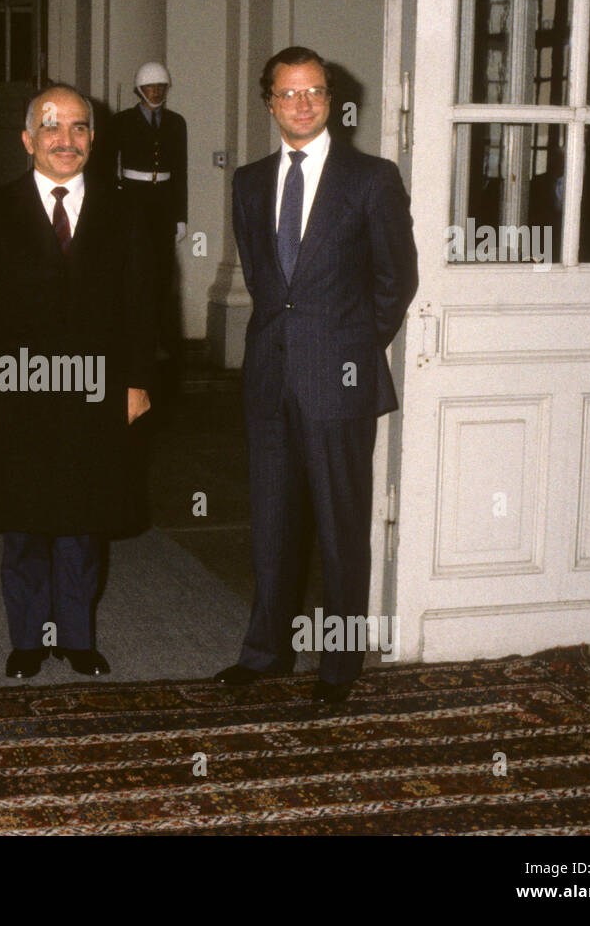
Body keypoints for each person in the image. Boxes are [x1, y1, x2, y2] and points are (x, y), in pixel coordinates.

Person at [214, 46, 418, 703]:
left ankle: (338, 665)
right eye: (288, 93)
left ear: (331, 100)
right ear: (269, 102)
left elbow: (395, 279)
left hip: (341, 378)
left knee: (340, 525)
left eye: (315, 92)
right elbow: (266, 280)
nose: (302, 104)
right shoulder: (248, 182)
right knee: (271, 523)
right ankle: (266, 653)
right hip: (269, 378)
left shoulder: (371, 179)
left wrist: (352, 349)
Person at [0, 83, 155, 679]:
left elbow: (144, 305)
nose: (65, 140)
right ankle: (27, 640)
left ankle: (78, 636)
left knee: (83, 523)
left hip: (97, 391)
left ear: (93, 137)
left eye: (78, 128)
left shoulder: (126, 212)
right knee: (25, 522)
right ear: (26, 139)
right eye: (51, 127)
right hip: (15, 390)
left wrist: (138, 380)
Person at [101, 62, 187, 393]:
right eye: (150, 88)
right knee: (133, 271)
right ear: (139, 90)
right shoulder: (121, 122)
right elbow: (107, 165)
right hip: (131, 199)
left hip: (163, 203)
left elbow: (180, 170)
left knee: (163, 274)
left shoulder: (177, 123)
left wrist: (180, 215)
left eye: (161, 87)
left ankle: (160, 342)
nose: (156, 93)